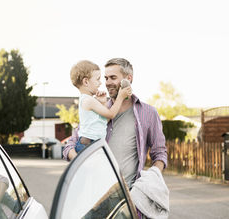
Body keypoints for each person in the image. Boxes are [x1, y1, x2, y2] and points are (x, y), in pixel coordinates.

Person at [63, 58, 167, 191]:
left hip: (129, 197)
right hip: (95, 195)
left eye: (113, 78)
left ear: (128, 79)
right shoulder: (97, 110)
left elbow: (159, 152)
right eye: (105, 78)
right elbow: (70, 146)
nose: (107, 83)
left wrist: (151, 179)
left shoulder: (148, 113)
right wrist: (81, 162)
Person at [70, 60, 131, 153]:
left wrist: (103, 103)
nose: (100, 83)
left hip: (93, 143)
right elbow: (111, 115)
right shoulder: (88, 100)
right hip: (88, 144)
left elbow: (104, 120)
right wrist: (121, 97)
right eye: (97, 79)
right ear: (86, 82)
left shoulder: (90, 100)